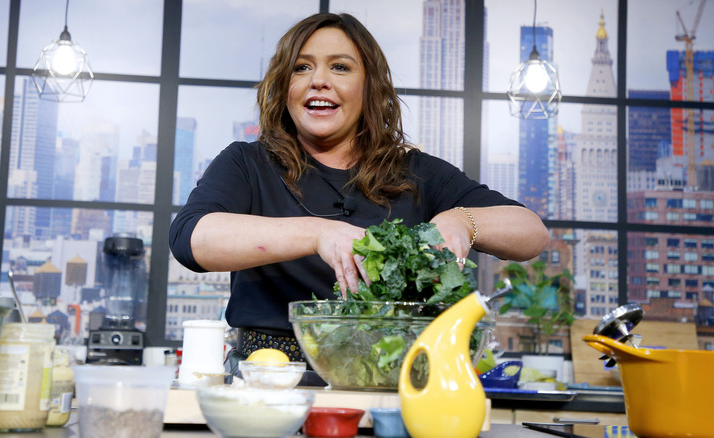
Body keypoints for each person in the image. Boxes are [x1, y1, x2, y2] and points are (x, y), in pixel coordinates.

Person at [169, 13, 550, 365]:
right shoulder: (247, 163)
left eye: (340, 67)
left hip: (387, 380)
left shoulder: (415, 172)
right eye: (301, 67)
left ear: (370, 87)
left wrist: (463, 221)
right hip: (267, 377)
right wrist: (319, 233)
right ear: (286, 87)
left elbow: (531, 233)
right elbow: (191, 239)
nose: (319, 79)